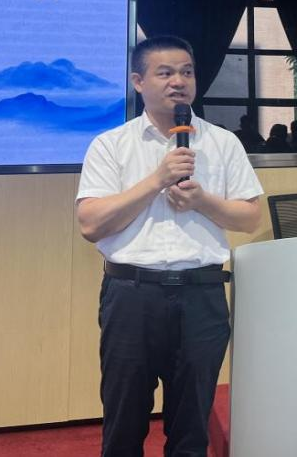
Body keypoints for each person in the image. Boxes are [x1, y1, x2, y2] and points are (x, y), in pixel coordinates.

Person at [76, 36, 263, 457]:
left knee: (191, 427)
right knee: (123, 424)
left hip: (202, 297)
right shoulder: (111, 144)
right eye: (165, 73)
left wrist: (203, 201)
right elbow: (90, 223)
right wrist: (156, 180)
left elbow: (250, 218)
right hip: (131, 296)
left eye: (186, 72)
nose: (178, 81)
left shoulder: (222, 143)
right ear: (138, 81)